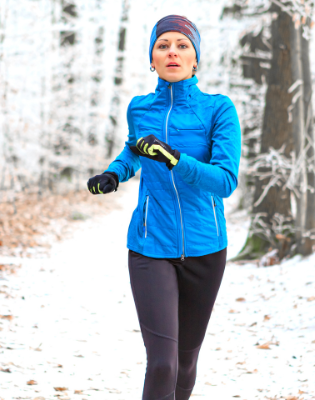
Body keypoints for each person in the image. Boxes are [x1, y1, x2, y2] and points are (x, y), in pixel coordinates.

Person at [86, 15, 241, 400]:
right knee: (162, 363)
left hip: (206, 248)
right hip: (150, 244)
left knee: (185, 363)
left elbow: (224, 181)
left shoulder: (218, 110)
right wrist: (116, 172)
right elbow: (135, 149)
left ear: (195, 59)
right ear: (152, 60)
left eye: (182, 45)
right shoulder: (140, 109)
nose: (173, 51)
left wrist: (176, 160)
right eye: (163, 45)